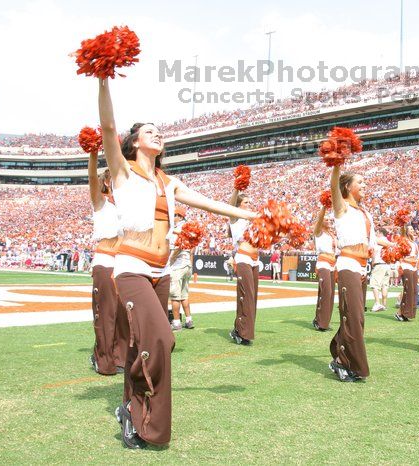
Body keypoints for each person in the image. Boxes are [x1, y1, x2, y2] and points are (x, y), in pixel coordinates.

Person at [98, 78, 256, 449]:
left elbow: (207, 203)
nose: (157, 134)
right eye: (149, 131)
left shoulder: (168, 181)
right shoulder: (121, 171)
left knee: (148, 346)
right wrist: (104, 79)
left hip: (162, 271)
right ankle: (142, 422)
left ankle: (127, 406)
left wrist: (251, 214)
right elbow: (107, 126)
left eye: (159, 131)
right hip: (132, 267)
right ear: (135, 141)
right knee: (161, 337)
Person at [328, 167, 376, 382]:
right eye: (360, 182)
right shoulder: (342, 208)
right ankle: (344, 361)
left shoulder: (365, 213)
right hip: (347, 264)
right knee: (353, 316)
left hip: (362, 266)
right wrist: (337, 165)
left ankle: (340, 348)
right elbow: (333, 187)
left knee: (357, 316)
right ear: (348, 187)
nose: (364, 185)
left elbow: (371, 242)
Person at [87, 150, 127, 376]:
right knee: (106, 314)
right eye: (111, 177)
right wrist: (93, 155)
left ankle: (120, 359)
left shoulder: (127, 207)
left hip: (124, 264)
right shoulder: (101, 204)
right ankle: (105, 361)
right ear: (106, 183)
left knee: (123, 315)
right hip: (105, 262)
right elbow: (92, 178)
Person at [228, 190, 262, 346]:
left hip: (255, 260)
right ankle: (241, 331)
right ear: (238, 205)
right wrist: (236, 188)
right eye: (246, 202)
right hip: (243, 258)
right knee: (246, 294)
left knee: (253, 296)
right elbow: (229, 206)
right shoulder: (235, 218)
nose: (249, 204)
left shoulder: (253, 220)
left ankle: (243, 329)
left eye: (250, 202)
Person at [168, 207, 194, 331]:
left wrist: (171, 259)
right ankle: (189, 320)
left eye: (173, 215)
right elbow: (192, 248)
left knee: (175, 296)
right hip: (187, 263)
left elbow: (178, 246)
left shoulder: (178, 228)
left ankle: (177, 322)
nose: (172, 218)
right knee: (184, 295)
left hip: (178, 265)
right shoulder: (188, 227)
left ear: (179, 216)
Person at [312, 203, 336, 331]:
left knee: (330, 293)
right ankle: (320, 322)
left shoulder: (332, 234)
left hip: (333, 263)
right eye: (326, 219)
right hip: (323, 262)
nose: (328, 221)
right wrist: (324, 207)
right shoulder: (318, 232)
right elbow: (320, 219)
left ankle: (323, 320)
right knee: (326, 291)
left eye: (329, 219)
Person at [395, 225, 419, 322]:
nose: (413, 231)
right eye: (410, 229)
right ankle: (400, 312)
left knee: (414, 290)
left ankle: (407, 313)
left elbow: (418, 255)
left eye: (413, 229)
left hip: (414, 266)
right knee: (408, 289)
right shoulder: (403, 241)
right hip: (406, 265)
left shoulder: (414, 243)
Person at [369, 228, 392, 312]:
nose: (375, 233)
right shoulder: (388, 241)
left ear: (380, 232)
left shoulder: (378, 240)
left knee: (374, 284)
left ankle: (377, 303)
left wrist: (373, 263)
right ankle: (384, 304)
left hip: (379, 264)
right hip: (387, 265)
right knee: (384, 285)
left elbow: (374, 253)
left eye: (377, 232)